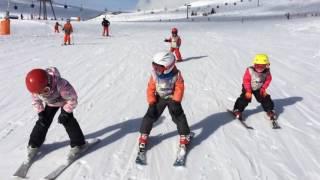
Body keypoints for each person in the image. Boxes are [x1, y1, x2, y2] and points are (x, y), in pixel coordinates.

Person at [25, 67, 86, 158]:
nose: (43, 94)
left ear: (49, 82)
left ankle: (79, 144)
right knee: (43, 122)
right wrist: (41, 113)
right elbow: (36, 101)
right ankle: (34, 144)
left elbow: (72, 99)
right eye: (39, 93)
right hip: (51, 104)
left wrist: (65, 112)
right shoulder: (37, 90)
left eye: (45, 91)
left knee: (68, 120)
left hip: (65, 102)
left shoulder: (61, 85)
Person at [137, 51, 191, 152]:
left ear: (168, 67)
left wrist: (176, 101)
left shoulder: (177, 75)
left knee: (179, 116)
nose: (156, 70)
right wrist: (152, 102)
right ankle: (144, 135)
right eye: (154, 66)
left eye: (159, 68)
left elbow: (180, 87)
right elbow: (150, 89)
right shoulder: (155, 75)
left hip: (172, 98)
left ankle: (185, 136)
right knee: (150, 115)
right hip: (159, 98)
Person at [232, 54, 276, 120]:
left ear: (266, 65)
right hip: (248, 87)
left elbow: (268, 80)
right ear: (254, 64)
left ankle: (270, 110)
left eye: (262, 66)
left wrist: (263, 88)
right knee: (245, 98)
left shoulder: (267, 72)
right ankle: (237, 110)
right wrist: (248, 91)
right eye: (257, 66)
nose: (259, 68)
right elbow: (246, 80)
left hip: (259, 88)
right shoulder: (250, 70)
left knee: (265, 98)